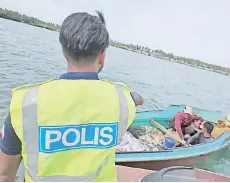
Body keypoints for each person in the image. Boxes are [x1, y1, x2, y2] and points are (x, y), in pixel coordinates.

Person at [0, 12, 144, 182]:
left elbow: (5, 174)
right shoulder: (123, 101)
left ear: (63, 50)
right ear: (103, 54)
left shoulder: (25, 103)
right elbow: (136, 98)